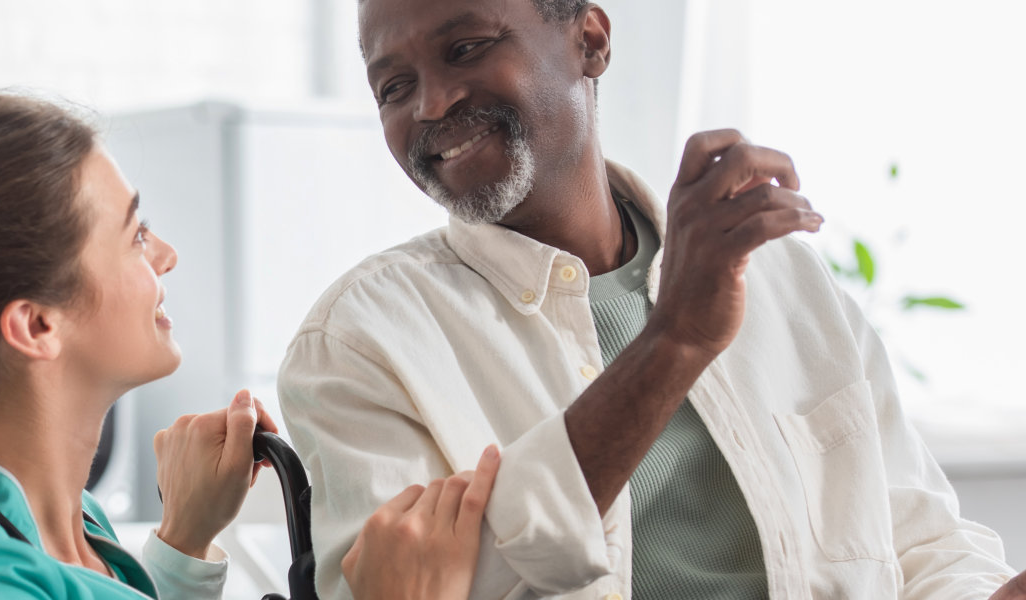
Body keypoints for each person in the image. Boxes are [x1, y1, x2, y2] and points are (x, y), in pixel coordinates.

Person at [277, 0, 1026, 598]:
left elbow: (921, 542)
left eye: (466, 48)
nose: (433, 103)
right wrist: (675, 343)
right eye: (394, 87)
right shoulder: (357, 343)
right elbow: (404, 592)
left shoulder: (784, 279)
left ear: (591, 42)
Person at [0, 93, 497, 599]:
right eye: (135, 234)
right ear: (36, 326)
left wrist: (183, 541)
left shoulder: (66, 526)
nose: (168, 255)